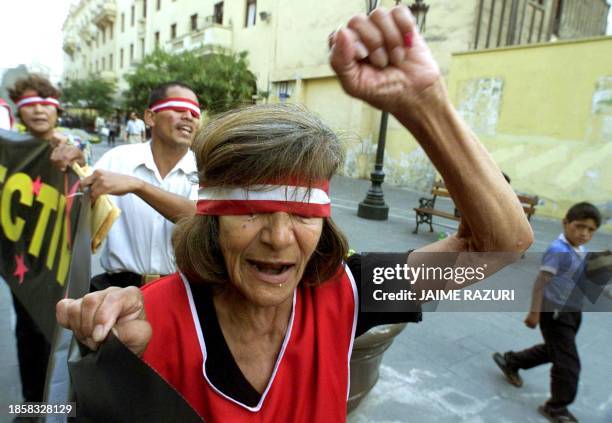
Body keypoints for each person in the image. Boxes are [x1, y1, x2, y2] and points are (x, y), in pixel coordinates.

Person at [57, 7, 533, 422]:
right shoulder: (149, 321)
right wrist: (118, 371)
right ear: (212, 217)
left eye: (303, 213)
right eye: (253, 211)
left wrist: (426, 103)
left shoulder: (347, 294)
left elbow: (497, 245)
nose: (280, 237)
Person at [493, 202, 602, 423]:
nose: (584, 233)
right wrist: (534, 312)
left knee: (555, 351)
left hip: (571, 312)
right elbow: (541, 282)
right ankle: (557, 407)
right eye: (579, 226)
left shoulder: (579, 250)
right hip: (554, 314)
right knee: (568, 364)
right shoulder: (557, 251)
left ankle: (512, 361)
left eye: (590, 230)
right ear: (565, 223)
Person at [84, 81, 200, 290]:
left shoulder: (204, 169)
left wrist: (138, 186)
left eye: (194, 112)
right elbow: (80, 197)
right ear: (150, 117)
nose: (188, 116)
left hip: (181, 292)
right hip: (116, 290)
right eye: (178, 108)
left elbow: (199, 217)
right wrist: (76, 166)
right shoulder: (117, 159)